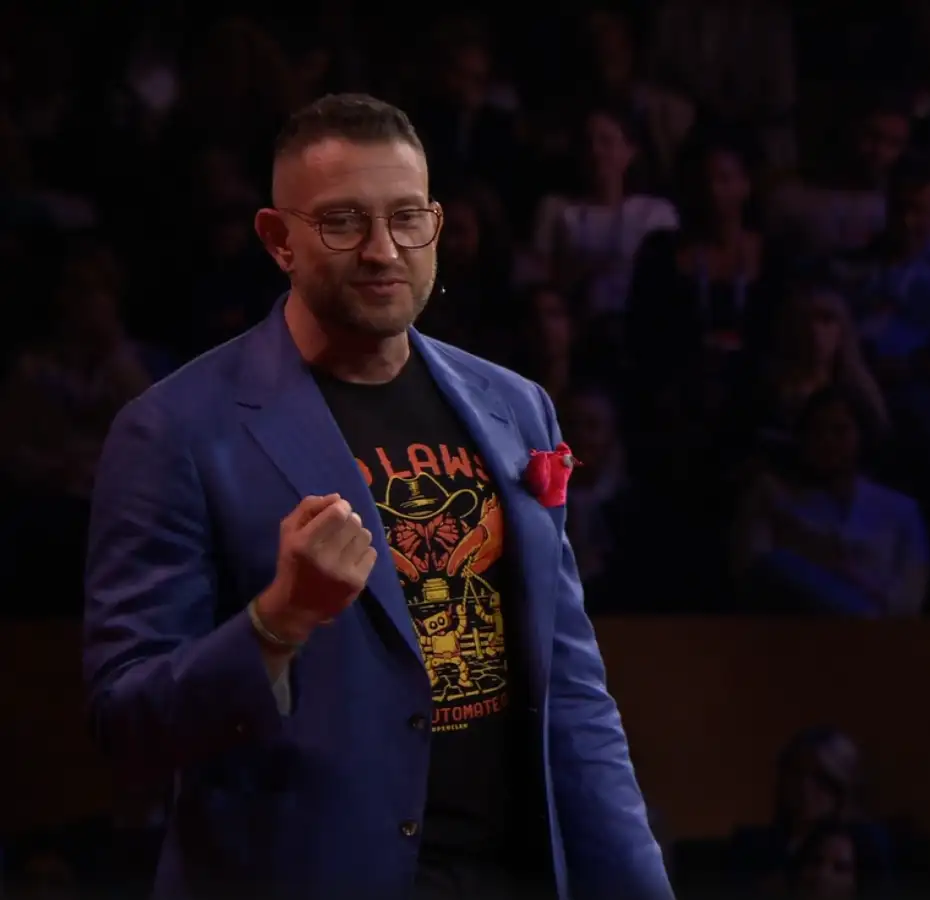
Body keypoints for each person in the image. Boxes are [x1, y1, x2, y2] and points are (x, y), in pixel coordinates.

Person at [82, 93, 672, 900]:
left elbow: (570, 690)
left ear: (434, 224)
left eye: (405, 219)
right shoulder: (175, 431)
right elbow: (127, 727)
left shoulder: (515, 406)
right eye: (341, 222)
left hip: (513, 876)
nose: (381, 250)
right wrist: (279, 620)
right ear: (277, 239)